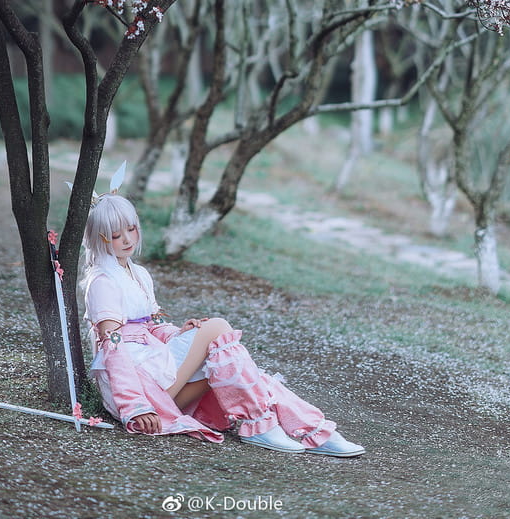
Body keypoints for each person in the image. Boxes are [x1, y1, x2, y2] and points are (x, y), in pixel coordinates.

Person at [80, 189, 365, 456]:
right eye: (116, 235)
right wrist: (135, 406)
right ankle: (261, 425)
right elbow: (113, 349)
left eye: (131, 229)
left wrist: (177, 333)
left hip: (158, 369)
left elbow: (151, 326)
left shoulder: (138, 273)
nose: (127, 239)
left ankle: (313, 430)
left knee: (238, 368)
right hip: (142, 388)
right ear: (99, 238)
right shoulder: (102, 281)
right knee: (217, 328)